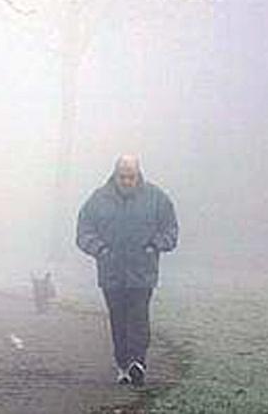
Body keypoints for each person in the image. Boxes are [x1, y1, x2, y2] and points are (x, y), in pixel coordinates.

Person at [76, 154, 178, 386]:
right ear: (115, 174)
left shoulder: (157, 198)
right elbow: (83, 232)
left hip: (142, 273)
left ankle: (138, 362)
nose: (127, 181)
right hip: (111, 273)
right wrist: (100, 250)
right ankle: (122, 364)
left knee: (139, 318)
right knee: (119, 320)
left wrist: (155, 245)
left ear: (138, 174)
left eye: (131, 177)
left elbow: (171, 230)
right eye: (123, 177)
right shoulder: (98, 200)